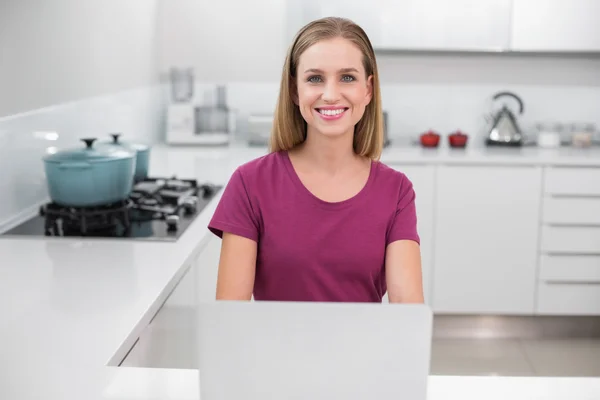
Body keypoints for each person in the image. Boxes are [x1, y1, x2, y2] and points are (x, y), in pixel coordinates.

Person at [207, 16, 423, 304]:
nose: (331, 95)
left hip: (363, 349)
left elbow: (407, 314)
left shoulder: (396, 191)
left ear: (368, 90)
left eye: (347, 77)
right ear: (295, 90)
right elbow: (230, 315)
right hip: (272, 349)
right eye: (315, 78)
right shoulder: (249, 184)